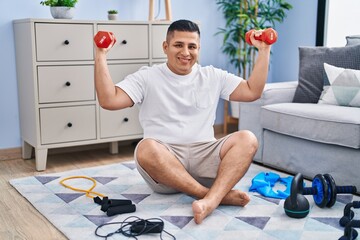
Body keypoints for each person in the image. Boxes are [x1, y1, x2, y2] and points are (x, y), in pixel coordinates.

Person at [94, 19, 271, 224]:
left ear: (198, 49)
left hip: (205, 158)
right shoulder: (147, 77)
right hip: (165, 168)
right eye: (179, 45)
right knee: (145, 148)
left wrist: (264, 50)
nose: (185, 52)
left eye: (192, 46)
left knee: (247, 139)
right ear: (165, 47)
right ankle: (212, 196)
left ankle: (211, 200)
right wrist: (100, 55)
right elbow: (109, 100)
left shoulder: (212, 75)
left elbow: (252, 91)